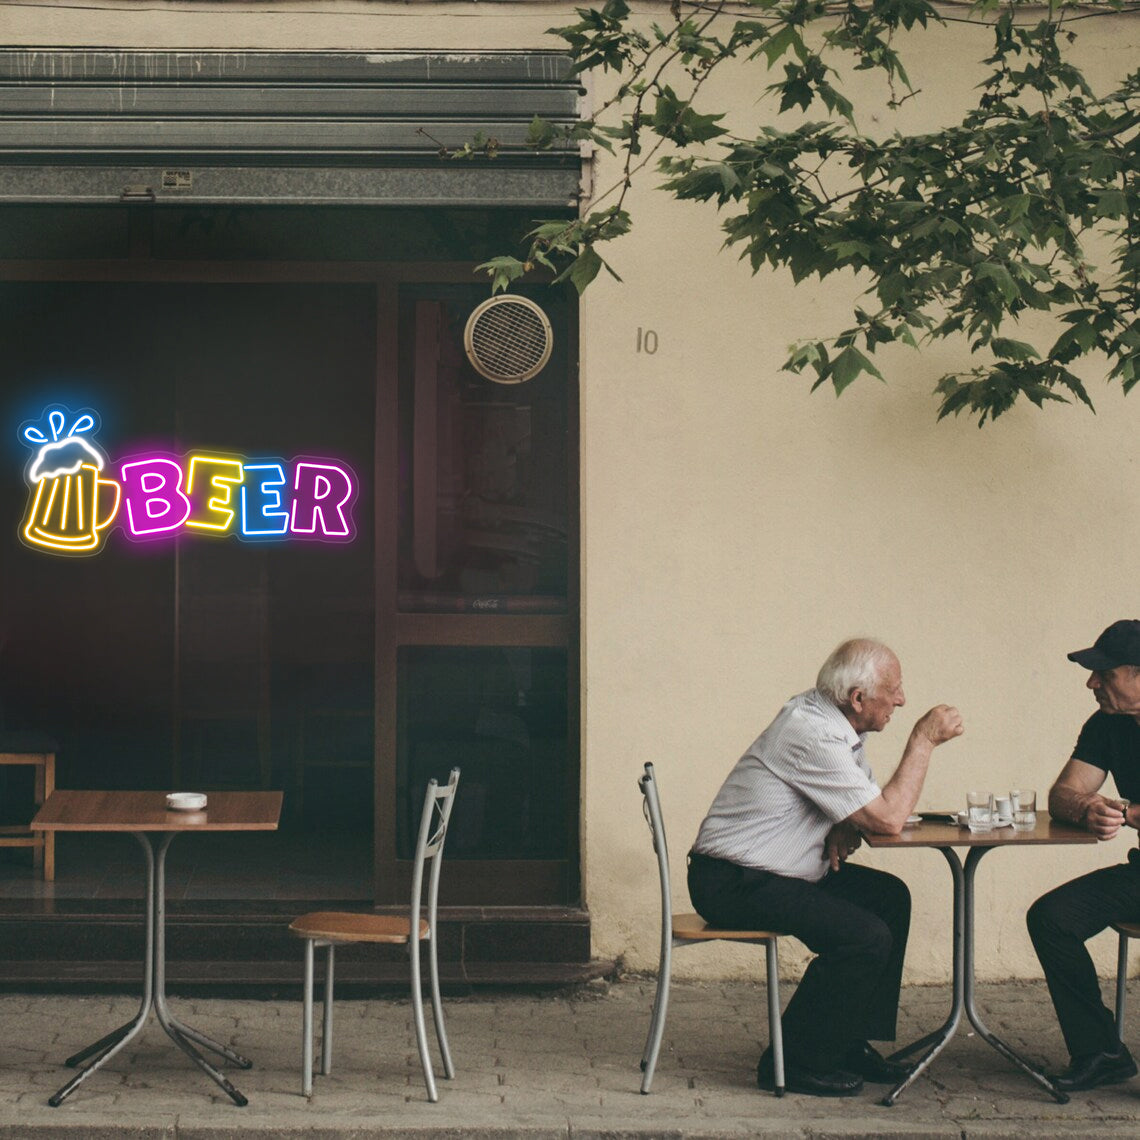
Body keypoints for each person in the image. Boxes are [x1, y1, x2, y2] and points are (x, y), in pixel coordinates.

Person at [688, 638, 963, 1097]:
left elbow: (866, 808)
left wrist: (844, 819)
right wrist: (923, 740)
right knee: (864, 936)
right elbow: (888, 818)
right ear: (858, 698)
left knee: (889, 898)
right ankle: (794, 1060)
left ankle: (844, 1040)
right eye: (893, 690)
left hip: (773, 872)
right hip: (732, 881)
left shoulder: (836, 726)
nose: (901, 700)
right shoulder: (812, 731)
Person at [1026, 619, 1140, 1092]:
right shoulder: (1107, 724)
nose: (1092, 682)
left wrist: (1130, 812)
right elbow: (1062, 794)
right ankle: (1101, 1051)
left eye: (1105, 673)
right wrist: (1088, 807)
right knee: (1052, 917)